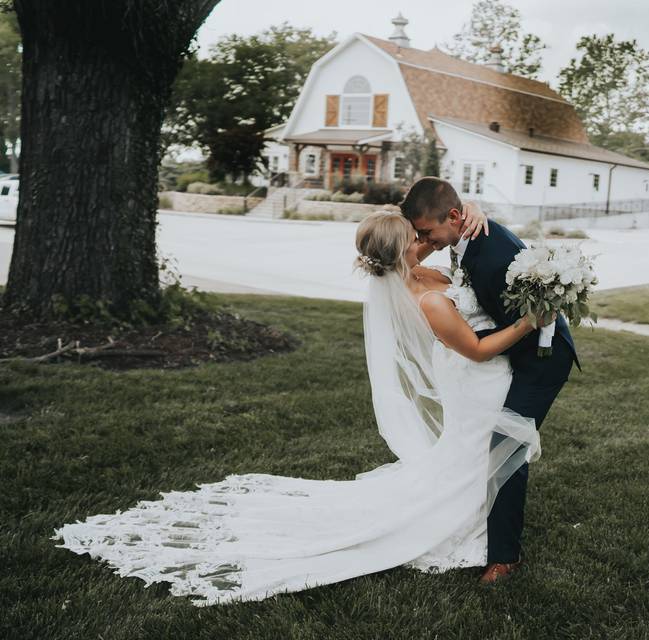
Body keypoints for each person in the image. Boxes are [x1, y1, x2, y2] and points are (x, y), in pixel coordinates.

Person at [51, 207, 548, 607]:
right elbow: (480, 348)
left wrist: (470, 215)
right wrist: (533, 319)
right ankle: (467, 520)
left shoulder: (416, 274)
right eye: (418, 235)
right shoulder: (430, 298)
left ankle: (483, 512)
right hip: (476, 373)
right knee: (472, 452)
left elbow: (450, 251)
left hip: (471, 381)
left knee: (472, 452)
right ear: (407, 248)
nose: (426, 237)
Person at [400, 177, 577, 584]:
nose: (423, 241)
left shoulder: (491, 256)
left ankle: (504, 557)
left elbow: (514, 322)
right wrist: (473, 211)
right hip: (512, 352)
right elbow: (420, 246)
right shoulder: (464, 234)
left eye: (427, 233)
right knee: (493, 445)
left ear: (455, 217)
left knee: (507, 447)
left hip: (542, 360)